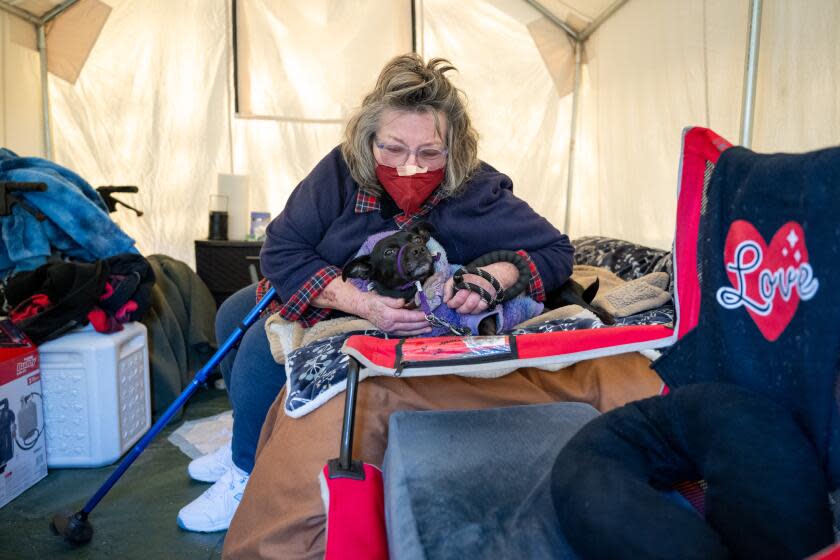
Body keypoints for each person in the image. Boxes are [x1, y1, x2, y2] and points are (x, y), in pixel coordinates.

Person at [176, 53, 575, 532]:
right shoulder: (341, 171)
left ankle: (247, 475)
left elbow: (556, 250)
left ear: (455, 149)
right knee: (232, 315)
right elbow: (281, 246)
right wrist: (358, 301)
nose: (409, 167)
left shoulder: (478, 190)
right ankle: (248, 434)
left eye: (429, 153)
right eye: (392, 149)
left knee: (264, 342)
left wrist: (498, 279)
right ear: (369, 141)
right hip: (345, 291)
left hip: (406, 306)